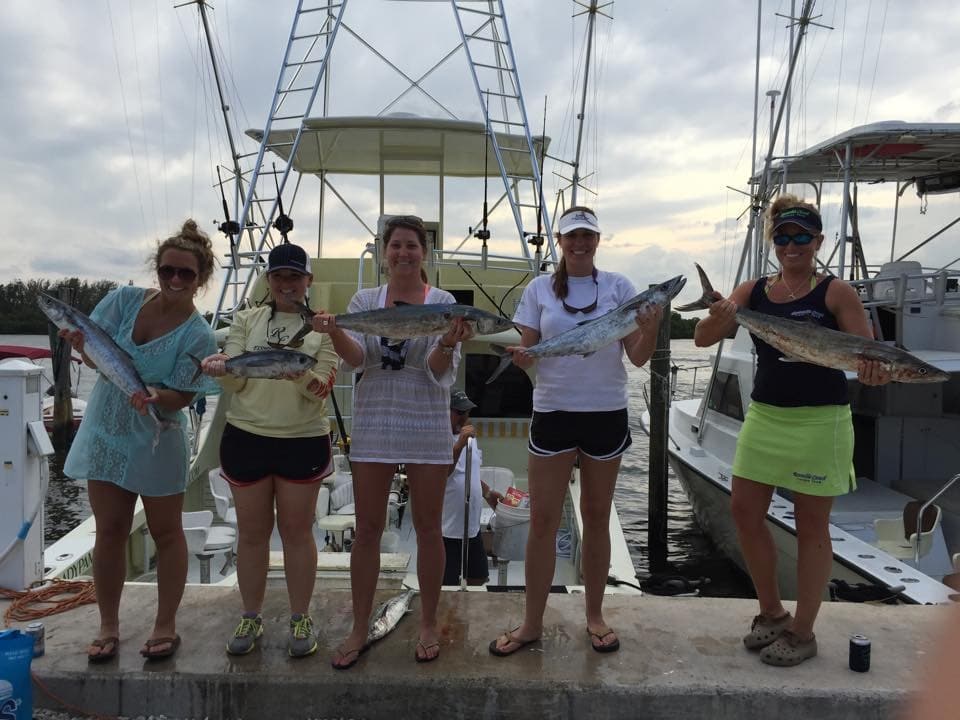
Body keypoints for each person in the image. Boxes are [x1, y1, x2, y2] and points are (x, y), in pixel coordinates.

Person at [692, 194, 891, 666]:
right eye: (784, 236)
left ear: (819, 241)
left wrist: (876, 371)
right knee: (743, 510)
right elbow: (700, 338)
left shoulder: (836, 293)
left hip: (821, 421)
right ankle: (772, 612)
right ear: (774, 243)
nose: (793, 244)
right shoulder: (754, 292)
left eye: (803, 236)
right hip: (766, 416)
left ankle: (804, 631)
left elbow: (867, 354)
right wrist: (719, 316)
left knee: (811, 527)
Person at [488, 205, 663, 657]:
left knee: (597, 517)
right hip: (553, 412)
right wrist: (523, 356)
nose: (580, 243)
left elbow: (639, 358)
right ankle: (531, 623)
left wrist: (654, 324)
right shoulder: (539, 288)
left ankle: (595, 616)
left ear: (598, 240)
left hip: (605, 412)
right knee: (543, 521)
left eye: (587, 236)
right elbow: (526, 346)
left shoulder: (620, 287)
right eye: (572, 237)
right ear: (560, 242)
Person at [311, 214, 473, 668]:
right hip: (375, 424)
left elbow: (440, 370)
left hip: (426, 425)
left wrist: (446, 341)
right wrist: (335, 330)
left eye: (412, 246)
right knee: (366, 531)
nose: (404, 253)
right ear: (385, 253)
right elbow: (359, 360)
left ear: (425, 253)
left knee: (428, 530)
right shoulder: (366, 300)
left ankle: (427, 623)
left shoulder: (443, 303)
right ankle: (360, 627)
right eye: (396, 245)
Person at [62, 219, 217, 662]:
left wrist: (155, 397)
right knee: (108, 532)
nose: (174, 279)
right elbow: (95, 357)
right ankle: (108, 625)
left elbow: (185, 395)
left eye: (185, 274)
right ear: (157, 269)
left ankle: (165, 624)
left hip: (156, 436)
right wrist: (78, 344)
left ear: (200, 279)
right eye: (167, 270)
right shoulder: (123, 300)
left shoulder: (199, 335)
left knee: (168, 533)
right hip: (107, 429)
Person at [198, 242, 339, 658]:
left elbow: (321, 390)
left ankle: (300, 617)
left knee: (297, 534)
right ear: (269, 280)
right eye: (279, 276)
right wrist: (221, 371)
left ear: (308, 281)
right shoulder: (245, 319)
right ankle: (250, 615)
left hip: (301, 439)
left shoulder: (323, 329)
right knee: (253, 535)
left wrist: (293, 373)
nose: (286, 283)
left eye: (295, 276)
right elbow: (239, 380)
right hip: (247, 436)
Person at [441, 389, 502, 586]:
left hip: (471, 526)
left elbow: (471, 473)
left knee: (479, 576)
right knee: (448, 585)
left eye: (466, 412)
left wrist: (487, 492)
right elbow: (442, 474)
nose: (464, 417)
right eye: (459, 412)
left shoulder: (471, 440)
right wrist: (459, 445)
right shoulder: (438, 439)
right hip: (448, 529)